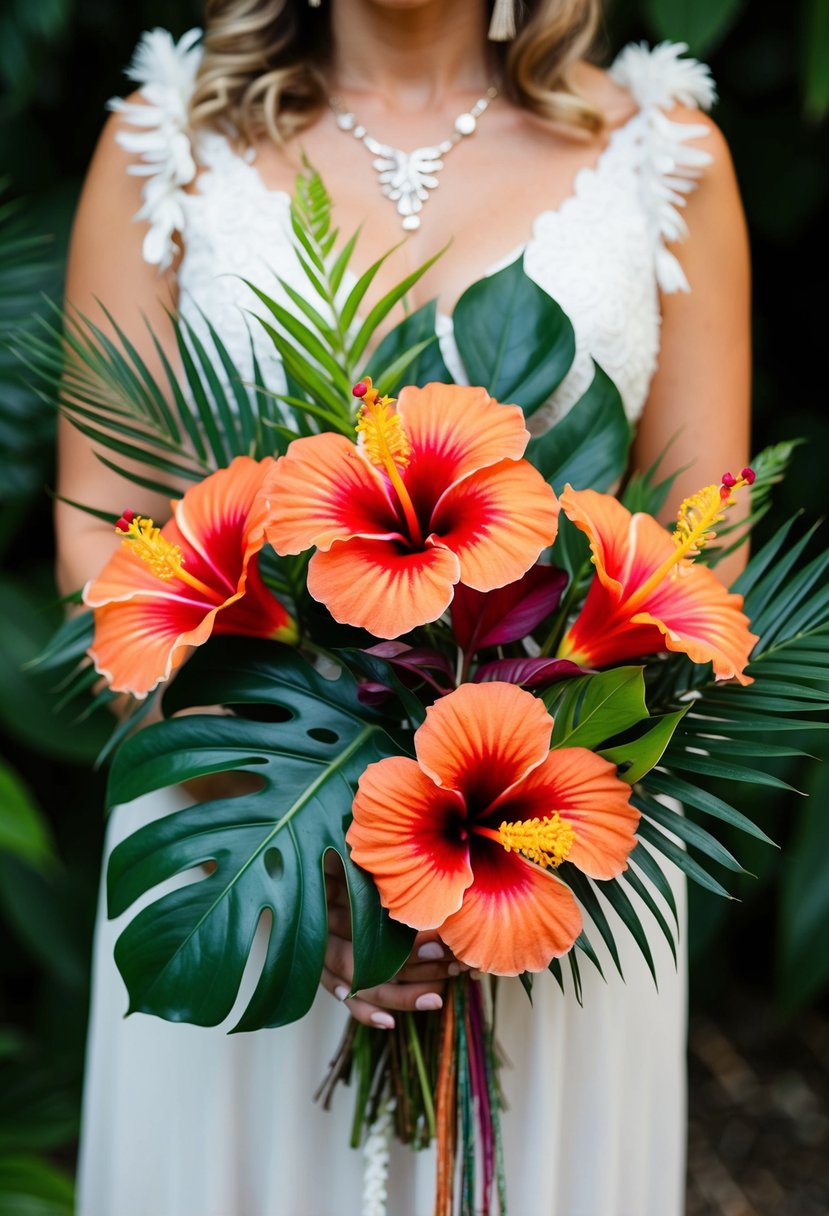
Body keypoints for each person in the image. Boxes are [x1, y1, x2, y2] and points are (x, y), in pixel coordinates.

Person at [56, 1, 751, 1213]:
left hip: (542, 866)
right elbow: (100, 522)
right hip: (249, 841)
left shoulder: (663, 150)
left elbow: (707, 542)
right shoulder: (162, 143)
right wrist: (297, 827)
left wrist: (529, 807)